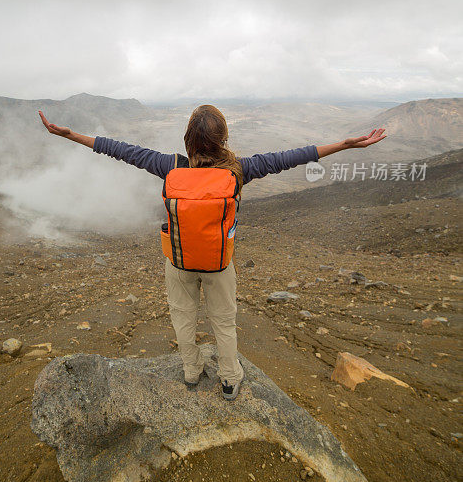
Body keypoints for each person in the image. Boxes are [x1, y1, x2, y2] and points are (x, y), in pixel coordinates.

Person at [38, 105, 386, 400]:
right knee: (224, 321)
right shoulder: (238, 170)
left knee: (183, 316)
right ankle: (230, 380)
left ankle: (191, 374)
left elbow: (120, 149)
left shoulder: (170, 166)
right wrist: (344, 145)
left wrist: (70, 135)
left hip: (179, 261)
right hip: (220, 264)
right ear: (223, 139)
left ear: (188, 139)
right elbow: (291, 158)